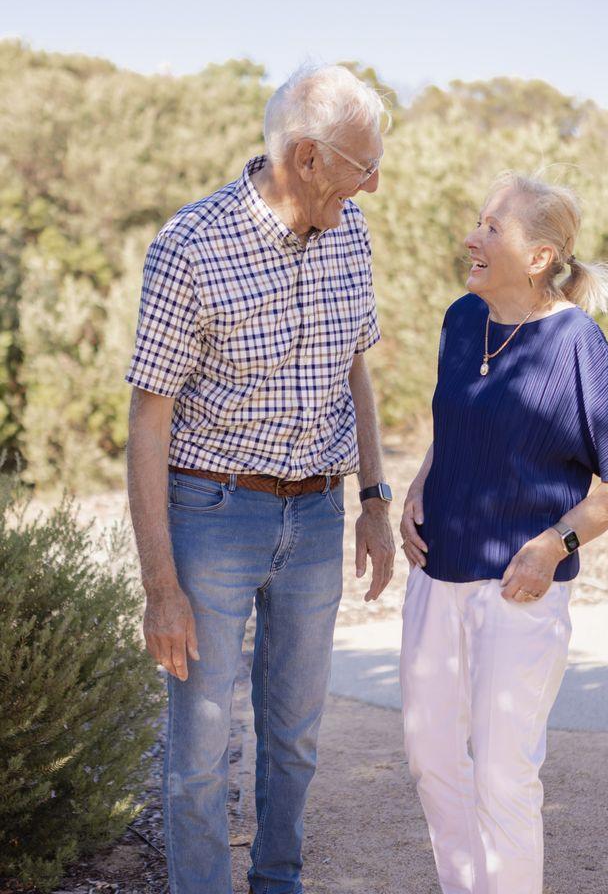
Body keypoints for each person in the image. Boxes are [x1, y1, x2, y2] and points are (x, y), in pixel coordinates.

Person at [124, 64, 395, 894]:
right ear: (307, 157)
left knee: (296, 738)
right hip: (211, 516)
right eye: (363, 167)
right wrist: (160, 585)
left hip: (317, 515)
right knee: (201, 750)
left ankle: (279, 883)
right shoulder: (190, 244)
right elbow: (148, 419)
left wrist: (375, 498)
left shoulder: (348, 231)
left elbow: (357, 370)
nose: (374, 186)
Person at [399, 171, 608, 894]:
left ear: (538, 257)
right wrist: (420, 481)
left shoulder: (575, 342)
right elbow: (457, 421)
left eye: (492, 228)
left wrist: (555, 543)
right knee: (432, 761)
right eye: (477, 221)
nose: (471, 237)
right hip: (435, 578)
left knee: (503, 777)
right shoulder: (459, 319)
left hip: (518, 595)